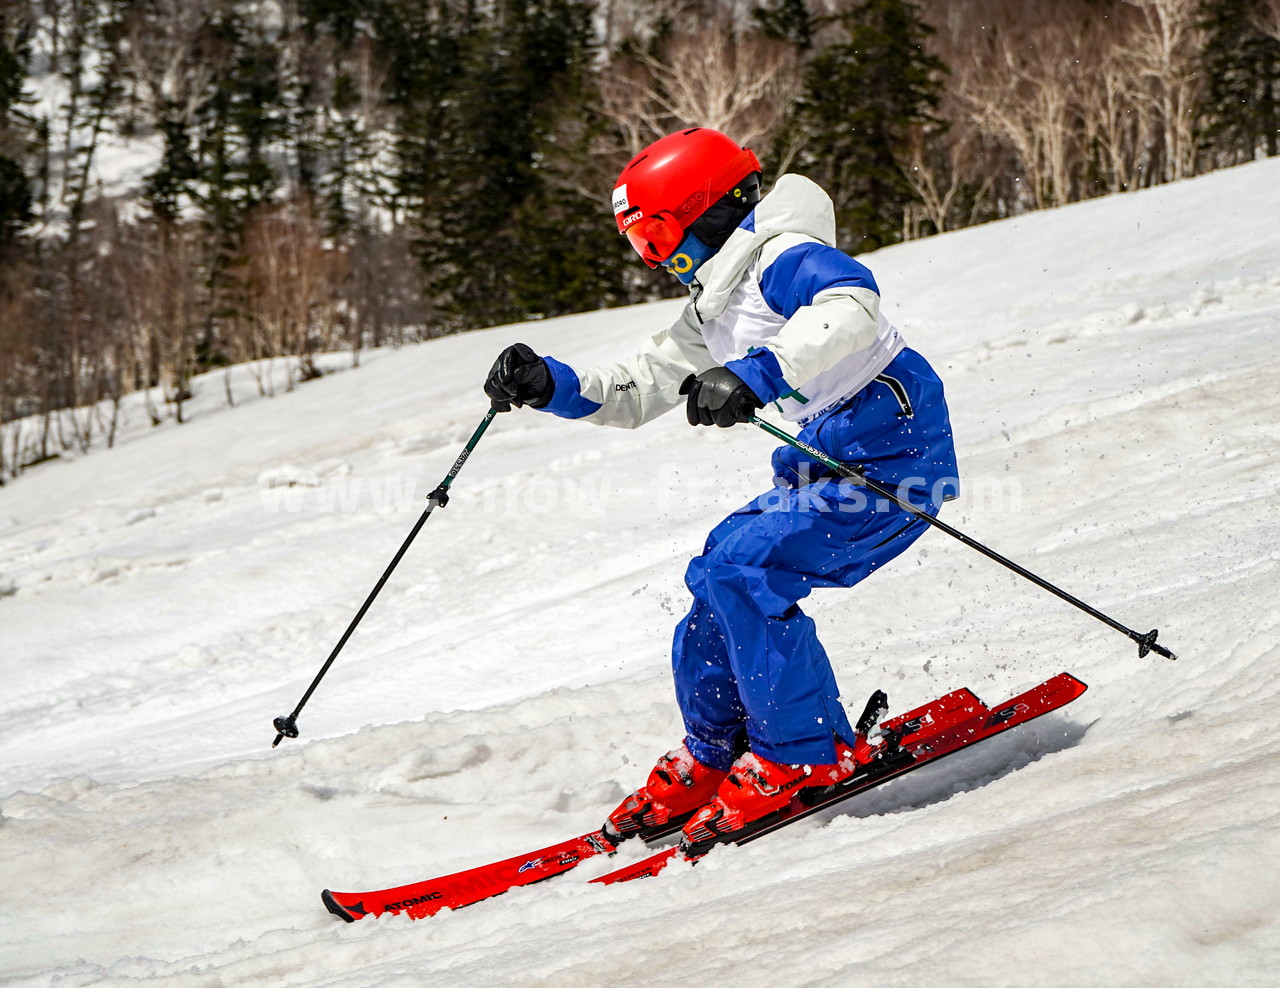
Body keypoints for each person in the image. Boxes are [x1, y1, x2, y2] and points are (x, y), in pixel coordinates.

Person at [484, 127, 958, 851]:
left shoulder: (780, 256)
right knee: (717, 566)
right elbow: (641, 386)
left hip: (895, 455)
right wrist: (551, 385)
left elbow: (851, 304)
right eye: (640, 241)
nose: (651, 255)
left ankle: (800, 757)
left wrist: (756, 374)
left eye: (654, 235)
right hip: (826, 461)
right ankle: (718, 747)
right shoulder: (714, 302)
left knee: (746, 568)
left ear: (699, 212)